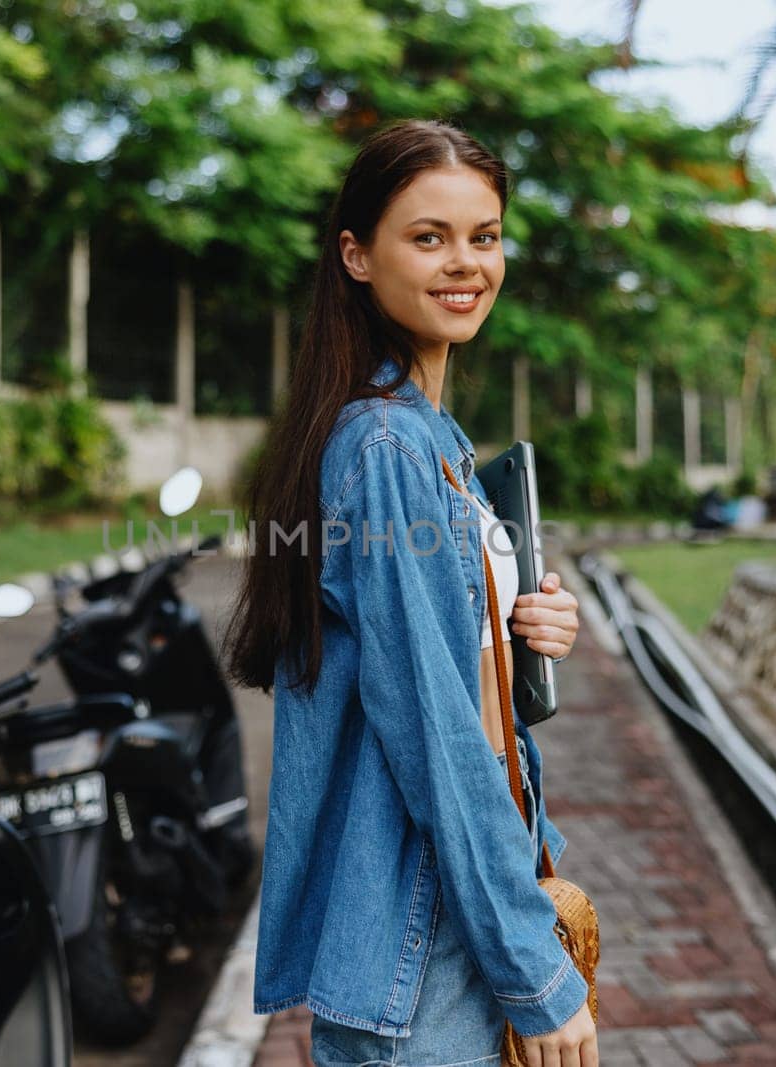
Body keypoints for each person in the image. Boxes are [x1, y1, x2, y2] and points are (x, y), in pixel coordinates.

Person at [224, 119, 598, 1067]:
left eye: (485, 235)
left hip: (441, 919)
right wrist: (534, 973)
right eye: (427, 237)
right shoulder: (387, 447)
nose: (464, 263)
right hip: (423, 945)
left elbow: (441, 672)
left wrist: (517, 632)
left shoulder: (433, 438)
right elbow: (434, 733)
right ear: (357, 254)